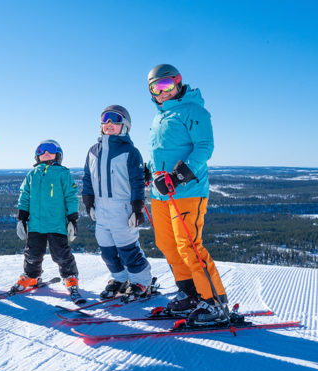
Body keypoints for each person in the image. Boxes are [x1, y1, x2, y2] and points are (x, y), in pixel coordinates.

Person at [146, 64, 228, 323]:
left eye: (166, 85)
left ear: (178, 83)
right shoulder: (159, 117)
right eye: (156, 87)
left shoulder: (194, 110)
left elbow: (205, 147)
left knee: (189, 246)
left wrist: (179, 175)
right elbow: (159, 153)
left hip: (187, 190)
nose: (162, 92)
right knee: (167, 245)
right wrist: (149, 172)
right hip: (160, 193)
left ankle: (214, 302)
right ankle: (190, 294)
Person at [82, 105, 152, 299]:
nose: (109, 123)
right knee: (106, 249)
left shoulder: (130, 151)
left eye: (115, 119)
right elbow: (87, 178)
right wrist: (88, 202)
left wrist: (137, 209)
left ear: (125, 125)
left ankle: (142, 281)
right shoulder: (93, 151)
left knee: (127, 248)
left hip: (123, 209)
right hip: (101, 209)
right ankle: (120, 277)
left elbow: (138, 181)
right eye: (106, 119)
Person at [14, 140, 83, 303]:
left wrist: (72, 219)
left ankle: (70, 276)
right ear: (37, 155)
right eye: (41, 150)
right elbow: (24, 196)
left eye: (50, 149)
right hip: (36, 224)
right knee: (32, 253)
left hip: (57, 224)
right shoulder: (32, 174)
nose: (45, 152)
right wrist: (21, 218)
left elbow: (71, 197)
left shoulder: (63, 173)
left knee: (61, 254)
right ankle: (31, 276)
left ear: (58, 155)